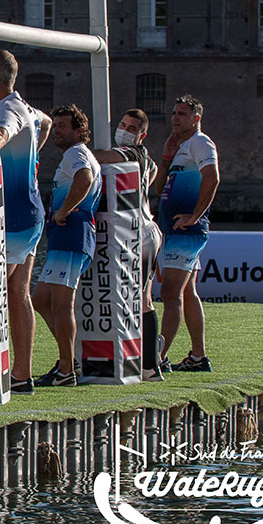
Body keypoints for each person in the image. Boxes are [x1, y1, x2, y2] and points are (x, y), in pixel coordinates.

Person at [0, 49, 52, 395]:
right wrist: (32, 157)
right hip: (31, 212)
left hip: (15, 217)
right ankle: (21, 372)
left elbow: (2, 132)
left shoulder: (6, 109)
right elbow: (44, 123)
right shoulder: (27, 107)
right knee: (18, 294)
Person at [92, 109, 164, 380]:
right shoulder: (147, 160)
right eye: (122, 124)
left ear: (141, 136)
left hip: (143, 231)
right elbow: (153, 172)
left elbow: (102, 157)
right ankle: (143, 360)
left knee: (143, 298)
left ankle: (149, 366)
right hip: (135, 230)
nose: (124, 130)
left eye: (132, 128)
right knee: (136, 295)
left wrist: (81, 153)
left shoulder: (134, 153)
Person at [32, 104, 101, 388]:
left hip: (72, 233)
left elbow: (84, 178)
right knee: (39, 299)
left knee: (62, 305)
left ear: (79, 130)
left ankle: (66, 370)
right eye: (56, 125)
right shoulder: (75, 155)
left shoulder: (77, 154)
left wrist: (64, 211)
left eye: (63, 126)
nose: (57, 130)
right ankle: (68, 360)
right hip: (65, 237)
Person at [152, 94, 220, 372]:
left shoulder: (201, 142)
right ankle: (198, 356)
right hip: (174, 230)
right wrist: (166, 158)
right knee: (188, 292)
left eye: (181, 113)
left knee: (170, 293)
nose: (175, 118)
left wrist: (196, 216)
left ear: (196, 118)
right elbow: (158, 190)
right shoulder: (181, 147)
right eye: (174, 113)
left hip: (186, 231)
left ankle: (158, 358)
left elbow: (212, 177)